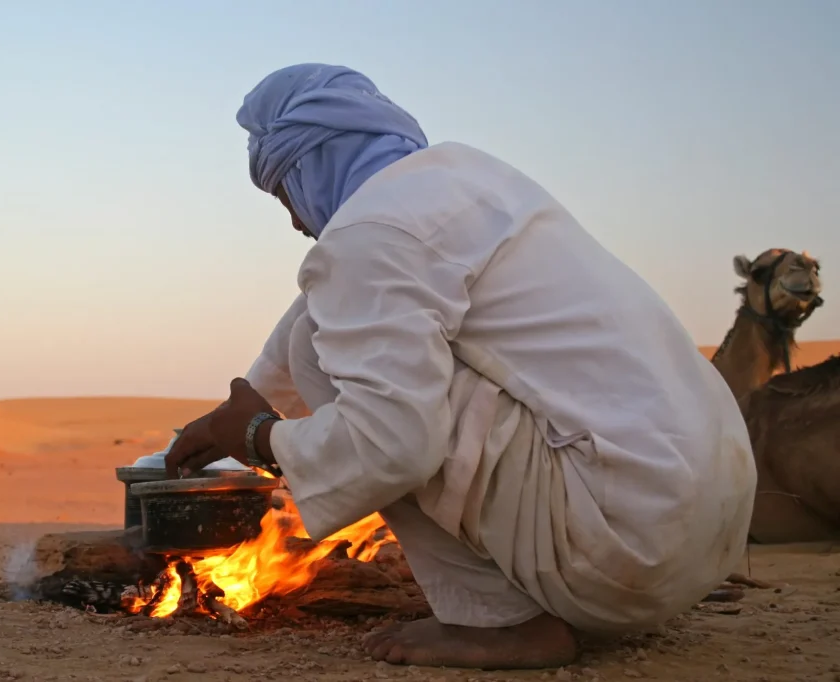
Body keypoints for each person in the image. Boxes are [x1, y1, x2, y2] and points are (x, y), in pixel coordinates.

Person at [164, 63, 756, 670]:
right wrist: (230, 416)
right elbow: (332, 305)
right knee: (326, 337)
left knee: (341, 373)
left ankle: (500, 623)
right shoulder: (467, 180)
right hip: (703, 529)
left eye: (285, 193)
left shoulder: (372, 233)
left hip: (622, 555)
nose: (293, 220)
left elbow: (390, 442)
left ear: (310, 164)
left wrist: (261, 438)